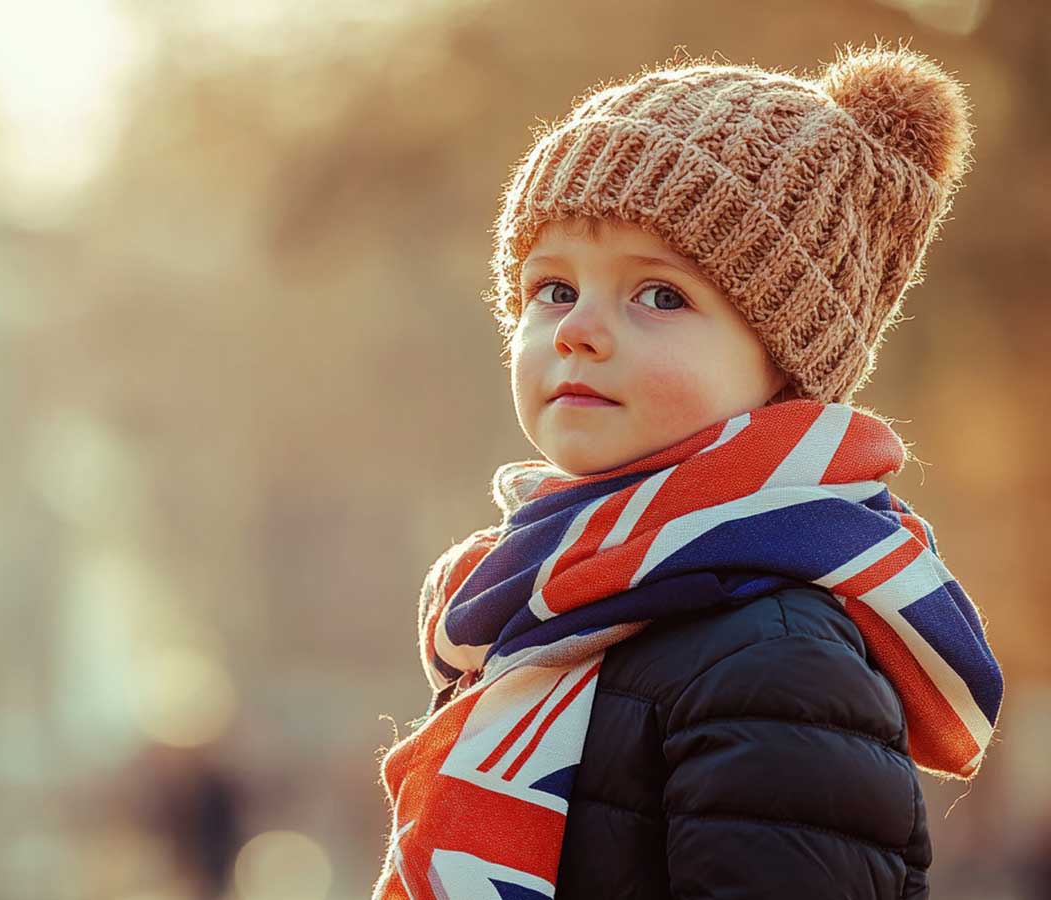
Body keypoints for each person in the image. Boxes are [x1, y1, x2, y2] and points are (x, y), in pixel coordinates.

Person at [371, 38, 1004, 900]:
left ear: (783, 367)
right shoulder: (540, 602)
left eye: (660, 295)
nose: (577, 329)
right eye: (552, 288)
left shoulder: (776, 659)